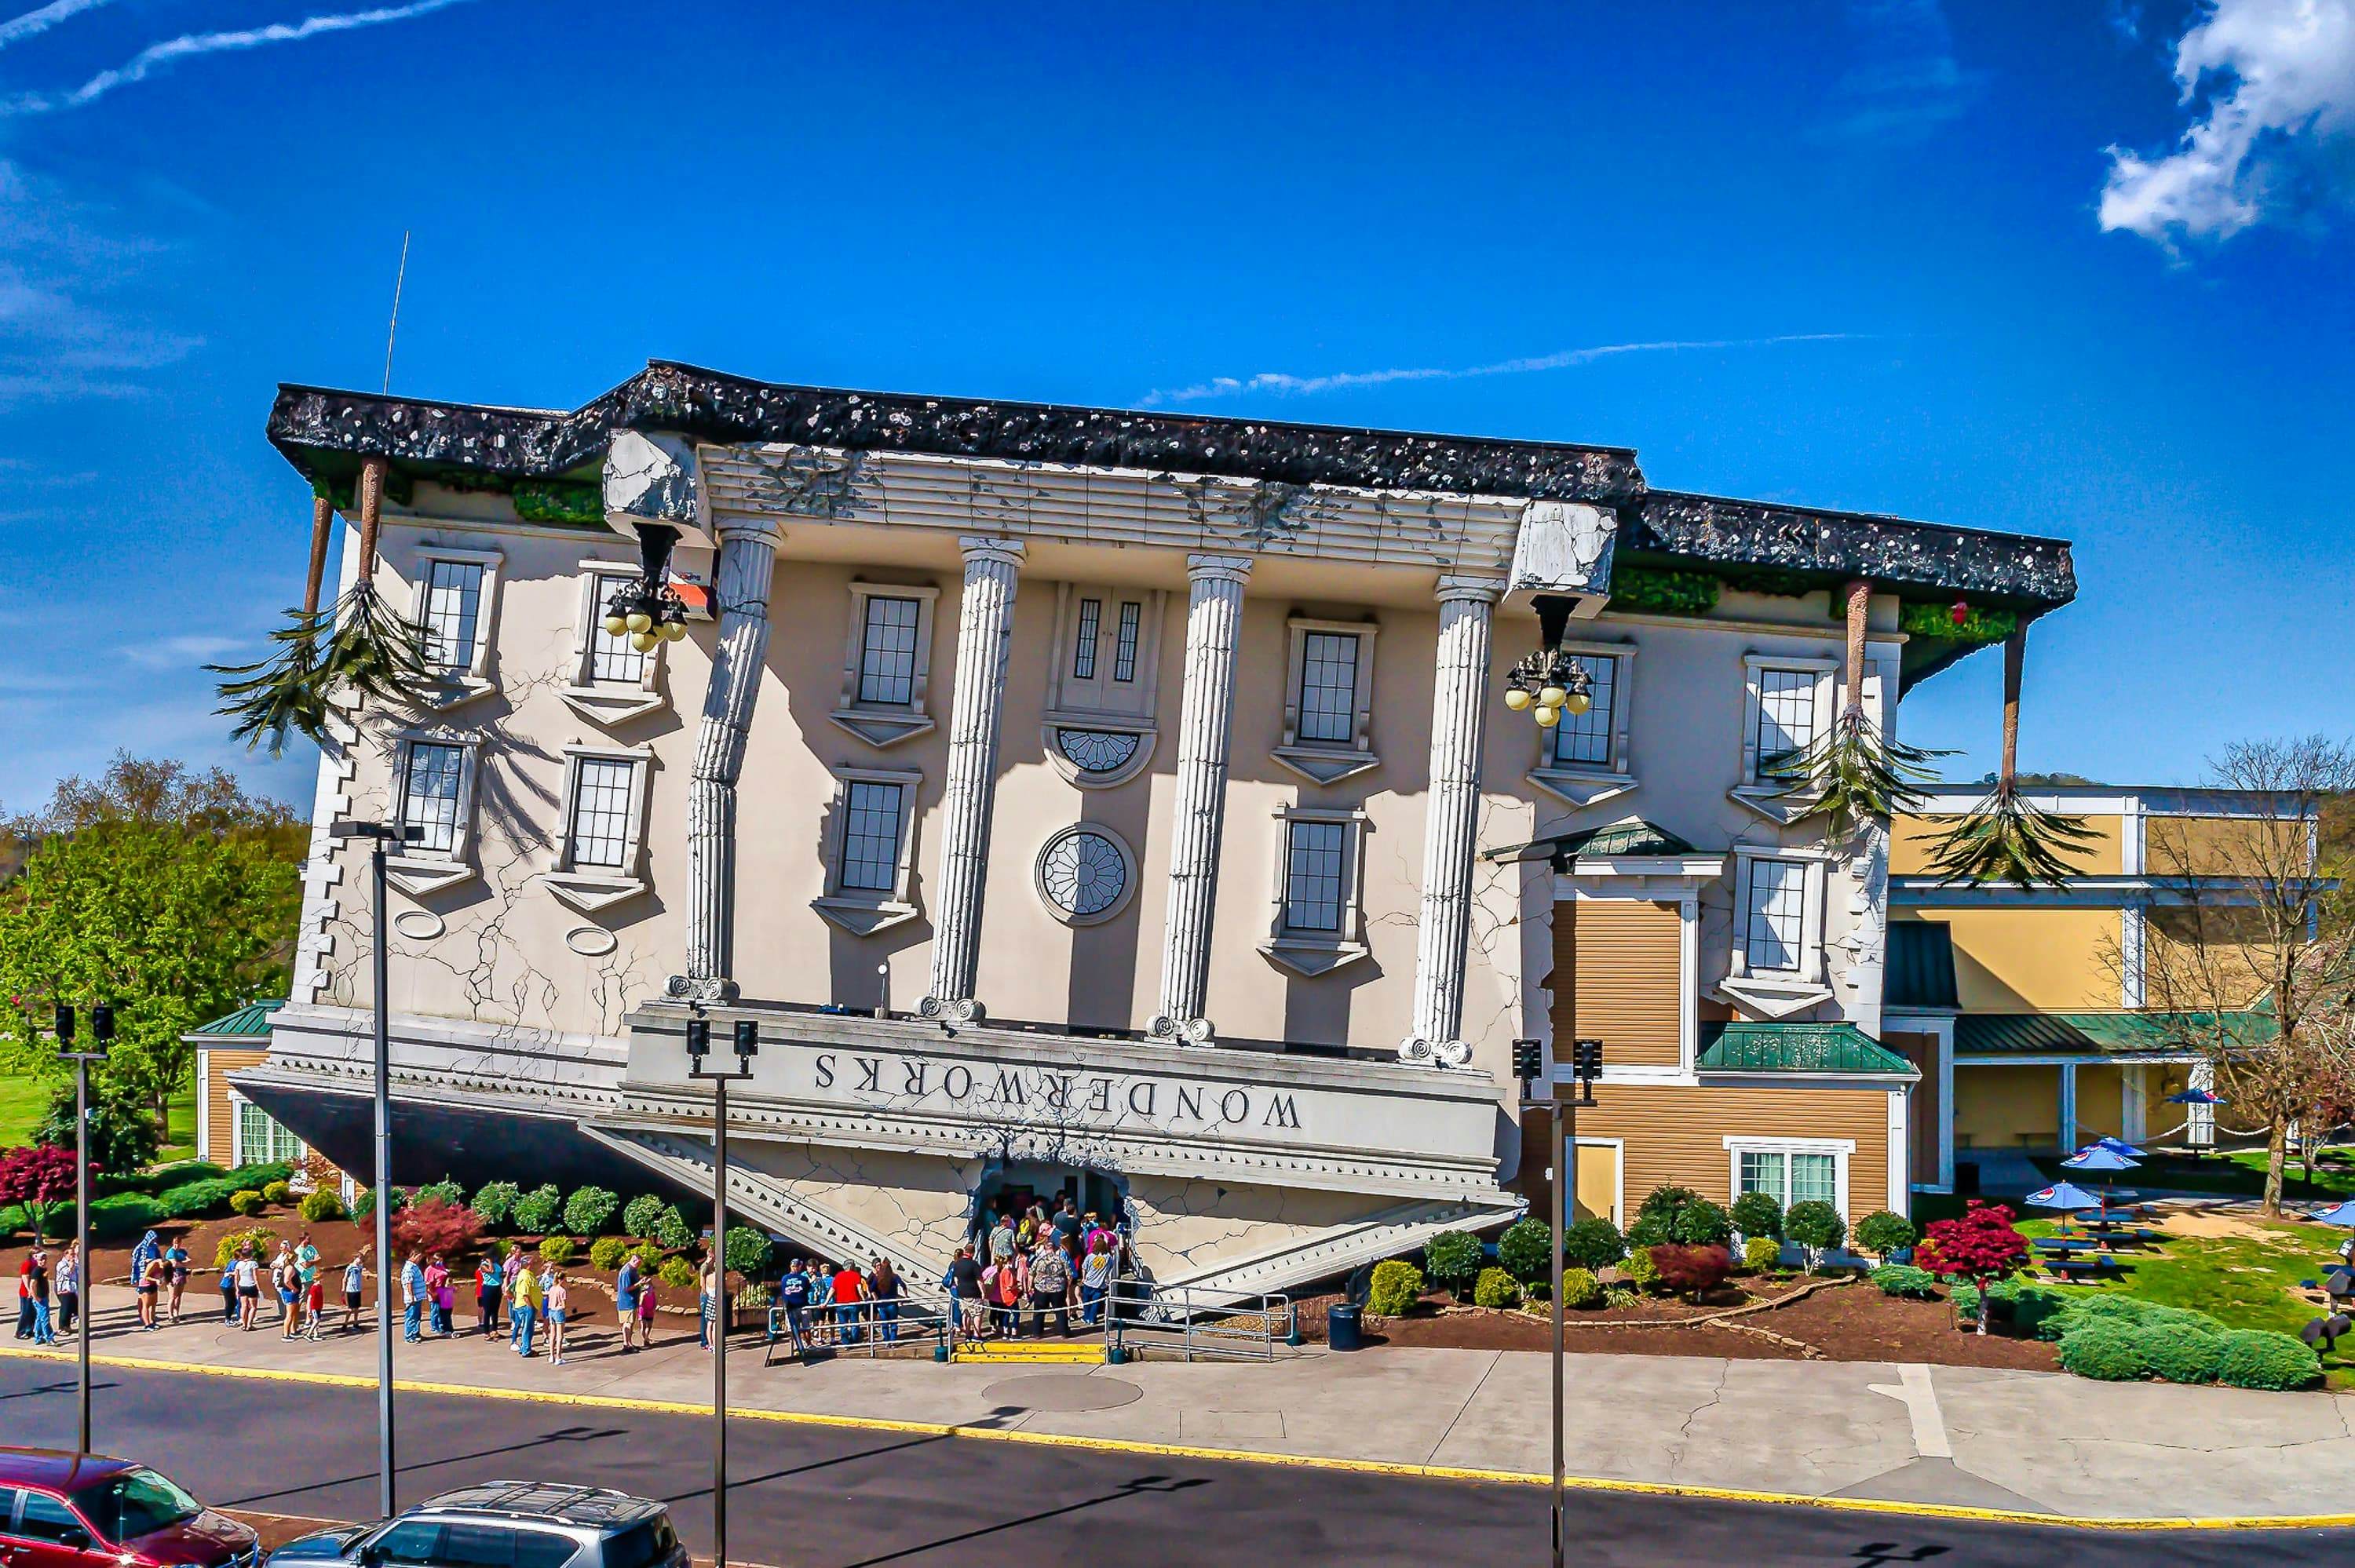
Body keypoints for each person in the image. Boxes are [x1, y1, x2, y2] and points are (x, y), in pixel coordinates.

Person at [1027, 1234, 1071, 1338]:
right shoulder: (1061, 1259)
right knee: (1060, 1311)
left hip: (1041, 1289)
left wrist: (1030, 1286)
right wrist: (1067, 1285)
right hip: (1058, 1289)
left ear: (1045, 1249)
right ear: (1054, 1249)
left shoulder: (1038, 1260)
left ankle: (1037, 1333)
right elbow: (1069, 1274)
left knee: (1039, 1312)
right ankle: (1064, 1332)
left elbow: (1031, 1273)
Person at [947, 1245, 984, 1340]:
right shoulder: (974, 1264)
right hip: (974, 1293)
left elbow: (956, 1279)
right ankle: (977, 1335)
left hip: (961, 1293)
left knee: (965, 1313)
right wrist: (983, 1292)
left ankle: (968, 1335)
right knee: (977, 1314)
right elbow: (979, 1281)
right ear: (973, 1253)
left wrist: (960, 1288)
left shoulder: (957, 1264)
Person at [777, 1257, 811, 1358]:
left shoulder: (784, 1278)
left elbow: (783, 1291)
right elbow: (807, 1289)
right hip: (802, 1305)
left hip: (790, 1306)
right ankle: (806, 1345)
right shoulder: (804, 1279)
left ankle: (798, 1346)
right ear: (799, 1267)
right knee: (806, 1327)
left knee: (794, 1327)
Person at [510, 1249, 541, 1357]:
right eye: (534, 1263)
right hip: (526, 1306)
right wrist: (531, 1307)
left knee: (528, 1328)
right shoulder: (525, 1276)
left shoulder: (528, 1274)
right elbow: (525, 1294)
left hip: (527, 1306)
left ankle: (525, 1347)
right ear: (528, 1264)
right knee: (528, 1328)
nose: (536, 1265)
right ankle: (526, 1351)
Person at [1079, 1234, 1115, 1327]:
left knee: (1086, 1301)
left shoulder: (1090, 1257)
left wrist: (1084, 1277)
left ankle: (1086, 1317)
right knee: (1096, 1303)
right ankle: (1092, 1319)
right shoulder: (1108, 1258)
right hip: (1100, 1284)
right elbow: (1111, 1268)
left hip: (1089, 1283)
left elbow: (1084, 1268)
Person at [129, 1231, 162, 1331]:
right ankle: (145, 1320)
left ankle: (152, 1321)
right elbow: (137, 1259)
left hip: (153, 1274)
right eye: (152, 1239)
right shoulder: (141, 1247)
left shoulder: (155, 1247)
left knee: (153, 1302)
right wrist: (147, 1261)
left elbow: (159, 1257)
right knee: (144, 1300)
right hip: (143, 1275)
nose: (154, 1240)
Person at [867, 1256, 902, 1345]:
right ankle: (891, 1341)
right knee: (892, 1323)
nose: (879, 1267)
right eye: (877, 1265)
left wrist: (874, 1296)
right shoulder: (892, 1276)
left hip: (882, 1303)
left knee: (885, 1324)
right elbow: (903, 1285)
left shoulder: (878, 1277)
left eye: (880, 1265)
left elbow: (871, 1288)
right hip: (887, 1303)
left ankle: (888, 1341)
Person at [831, 1258, 864, 1346]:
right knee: (854, 1323)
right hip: (853, 1303)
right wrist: (863, 1299)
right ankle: (854, 1341)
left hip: (840, 1304)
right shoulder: (856, 1275)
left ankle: (846, 1342)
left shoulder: (838, 1275)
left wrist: (826, 1302)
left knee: (843, 1324)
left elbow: (832, 1290)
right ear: (852, 1266)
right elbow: (859, 1289)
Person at [296, 1232, 323, 1340]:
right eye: (308, 1239)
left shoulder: (311, 1247)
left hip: (313, 1277)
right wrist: (313, 1262)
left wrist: (311, 1262)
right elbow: (305, 1265)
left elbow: (319, 1259)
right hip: (304, 1279)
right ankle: (295, 1318)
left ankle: (308, 1321)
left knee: (310, 1300)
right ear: (303, 1240)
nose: (310, 1240)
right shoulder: (299, 1251)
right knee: (301, 1299)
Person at [614, 1253, 641, 1352]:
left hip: (631, 1301)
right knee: (627, 1323)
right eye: (638, 1264)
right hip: (626, 1302)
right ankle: (627, 1344)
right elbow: (626, 1288)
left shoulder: (632, 1270)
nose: (639, 1266)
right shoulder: (627, 1271)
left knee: (631, 1322)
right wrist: (639, 1284)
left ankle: (629, 1343)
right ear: (634, 1260)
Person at [275, 1241, 301, 1340]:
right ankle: (286, 1335)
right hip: (290, 1292)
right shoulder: (290, 1268)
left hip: (292, 1292)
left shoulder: (289, 1267)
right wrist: (293, 1288)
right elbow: (286, 1281)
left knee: (293, 1313)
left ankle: (292, 1331)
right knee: (289, 1314)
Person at [27, 1249, 53, 1347]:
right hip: (40, 1298)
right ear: (37, 1260)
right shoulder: (37, 1271)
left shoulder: (44, 1270)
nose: (43, 1261)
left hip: (44, 1297)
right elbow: (32, 1285)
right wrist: (36, 1298)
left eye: (45, 1259)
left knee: (39, 1318)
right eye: (41, 1259)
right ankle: (49, 1338)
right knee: (45, 1319)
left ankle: (38, 1338)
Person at [545, 1266, 570, 1366]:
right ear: (562, 1280)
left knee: (552, 1334)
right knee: (560, 1335)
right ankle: (559, 1357)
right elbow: (563, 1305)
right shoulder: (562, 1290)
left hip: (551, 1311)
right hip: (559, 1311)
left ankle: (551, 1355)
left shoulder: (552, 1289)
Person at [476, 1249, 504, 1338]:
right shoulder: (483, 1265)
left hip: (497, 1287)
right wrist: (490, 1262)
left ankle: (494, 1330)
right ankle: (486, 1332)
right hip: (488, 1288)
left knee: (495, 1311)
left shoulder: (497, 1264)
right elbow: (491, 1271)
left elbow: (500, 1273)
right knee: (487, 1311)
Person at [164, 1236, 192, 1326]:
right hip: (173, 1276)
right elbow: (174, 1264)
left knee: (179, 1296)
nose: (176, 1245)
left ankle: (176, 1314)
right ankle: (170, 1315)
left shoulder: (182, 1252)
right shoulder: (171, 1252)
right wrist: (183, 1263)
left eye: (178, 1243)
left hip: (182, 1275)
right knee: (172, 1296)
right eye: (175, 1243)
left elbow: (189, 1261)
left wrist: (182, 1263)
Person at [234, 1243, 261, 1331]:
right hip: (251, 1286)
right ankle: (249, 1324)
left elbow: (236, 1277)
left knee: (244, 1306)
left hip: (242, 1285)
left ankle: (244, 1324)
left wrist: (237, 1288)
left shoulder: (239, 1264)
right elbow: (256, 1277)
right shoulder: (253, 1264)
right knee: (253, 1306)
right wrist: (259, 1288)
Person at [54, 1241, 79, 1336]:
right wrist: (72, 1264)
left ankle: (67, 1326)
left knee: (70, 1308)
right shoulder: (61, 1264)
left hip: (72, 1290)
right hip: (63, 1290)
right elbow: (68, 1272)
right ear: (66, 1255)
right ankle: (62, 1328)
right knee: (65, 1309)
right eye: (71, 1254)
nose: (73, 1256)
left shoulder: (75, 1263)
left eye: (73, 1254)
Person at [400, 1250, 426, 1342]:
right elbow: (409, 1283)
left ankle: (416, 1333)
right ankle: (409, 1336)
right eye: (419, 1257)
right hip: (413, 1298)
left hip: (418, 1297)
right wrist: (412, 1297)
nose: (420, 1259)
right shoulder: (409, 1268)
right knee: (411, 1317)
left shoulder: (414, 1266)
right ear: (414, 1256)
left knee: (417, 1316)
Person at [425, 1255, 453, 1336]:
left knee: (446, 1311)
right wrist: (432, 1293)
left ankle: (447, 1328)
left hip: (445, 1291)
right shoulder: (430, 1270)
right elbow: (428, 1283)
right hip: (437, 1292)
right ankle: (435, 1327)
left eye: (441, 1260)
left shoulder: (441, 1267)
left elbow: (445, 1275)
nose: (440, 1261)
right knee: (436, 1310)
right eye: (438, 1260)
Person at [342, 1248, 368, 1333]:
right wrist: (343, 1288)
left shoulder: (360, 1267)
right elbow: (345, 1279)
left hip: (358, 1289)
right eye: (359, 1258)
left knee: (357, 1308)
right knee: (351, 1309)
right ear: (355, 1258)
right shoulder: (350, 1267)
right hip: (351, 1290)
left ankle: (355, 1323)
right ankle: (345, 1323)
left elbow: (363, 1271)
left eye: (361, 1258)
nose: (360, 1260)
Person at [698, 1253, 717, 1352]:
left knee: (710, 1321)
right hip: (707, 1296)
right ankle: (705, 1342)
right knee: (707, 1320)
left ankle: (710, 1342)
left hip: (710, 1296)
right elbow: (702, 1277)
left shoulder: (711, 1269)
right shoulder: (705, 1267)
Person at [635, 1269, 659, 1348]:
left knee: (650, 1325)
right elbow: (640, 1303)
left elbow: (654, 1296)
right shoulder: (643, 1291)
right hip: (643, 1310)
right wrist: (643, 1296)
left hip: (650, 1309)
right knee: (644, 1325)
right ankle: (645, 1339)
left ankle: (647, 1338)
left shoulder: (651, 1288)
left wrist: (654, 1306)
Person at [218, 1253, 239, 1326]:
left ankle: (232, 1318)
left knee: (234, 1303)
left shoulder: (233, 1262)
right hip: (226, 1286)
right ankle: (228, 1319)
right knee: (230, 1303)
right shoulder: (235, 1263)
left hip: (231, 1286)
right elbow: (235, 1272)